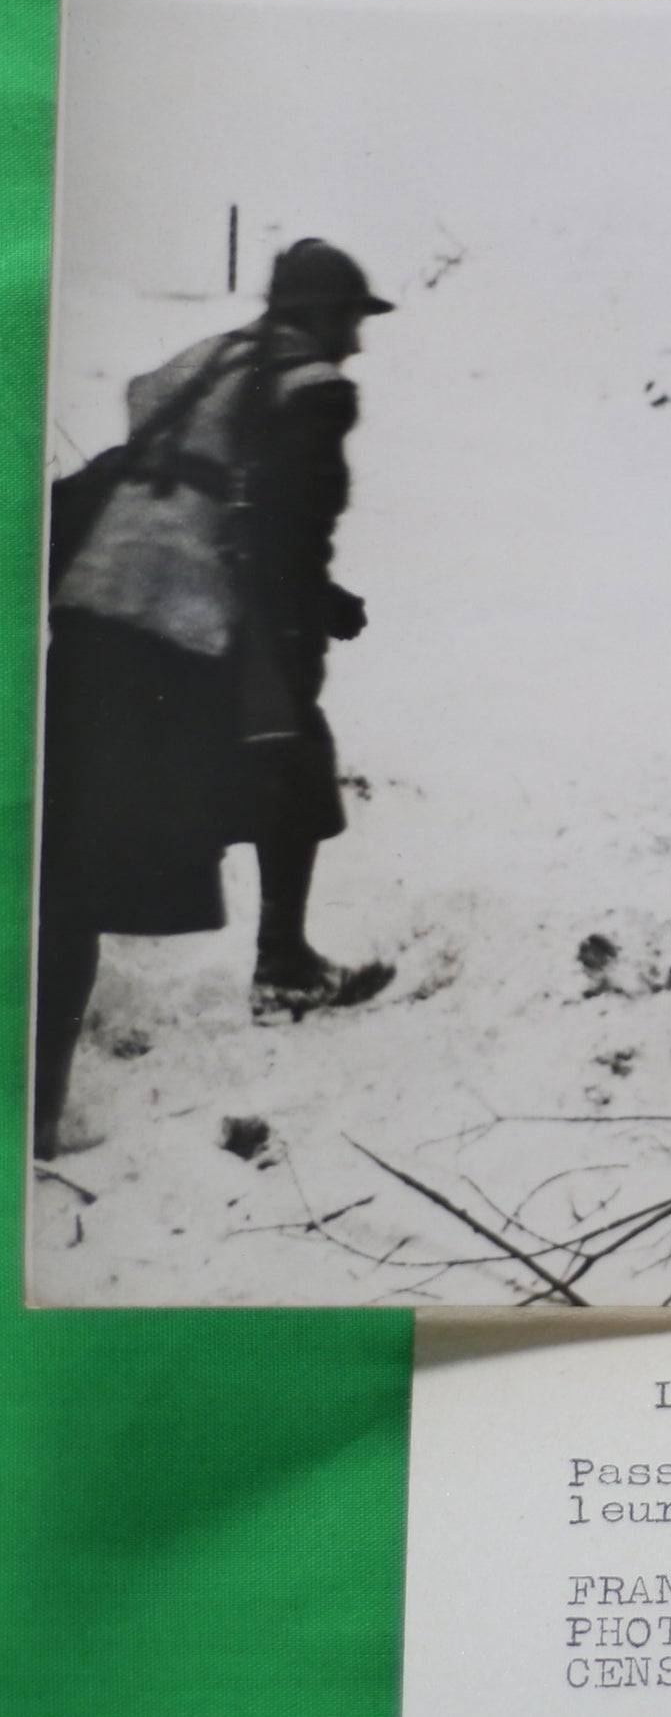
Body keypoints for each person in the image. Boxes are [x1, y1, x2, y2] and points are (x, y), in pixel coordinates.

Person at [35, 238, 395, 1158]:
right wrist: (314, 618)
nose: (359, 336)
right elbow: (290, 533)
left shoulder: (212, 360)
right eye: (354, 314)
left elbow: (166, 458)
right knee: (277, 768)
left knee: (80, 845)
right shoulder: (312, 388)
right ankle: (33, 1111)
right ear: (322, 315)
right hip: (176, 632)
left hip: (92, 611)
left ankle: (283, 964)